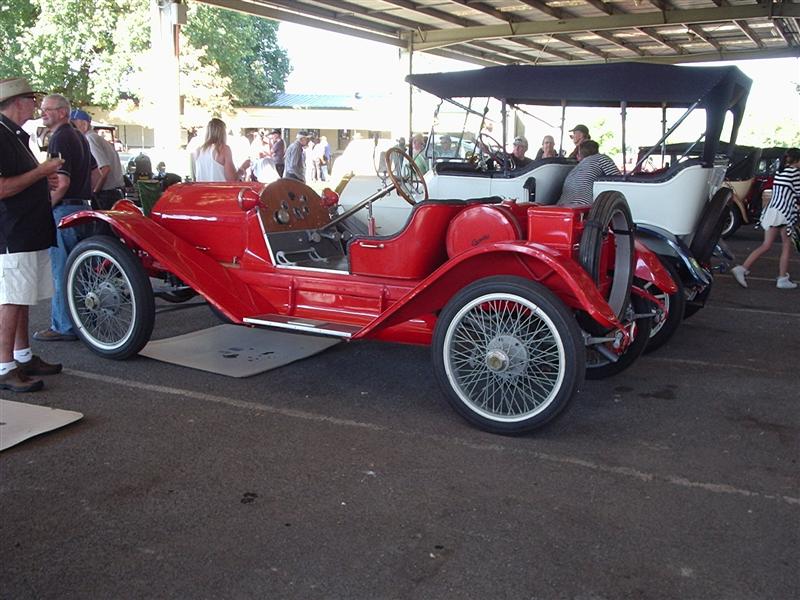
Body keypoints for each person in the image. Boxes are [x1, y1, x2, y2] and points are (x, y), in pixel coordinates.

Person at [0, 78, 66, 392]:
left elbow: (16, 181)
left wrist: (41, 181)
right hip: (12, 232)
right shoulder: (1, 135)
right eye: (31, 99)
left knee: (21, 297)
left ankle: (21, 356)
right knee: (11, 298)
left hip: (26, 230)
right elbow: (2, 188)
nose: (35, 107)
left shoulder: (13, 135)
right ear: (17, 102)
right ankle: (4, 366)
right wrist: (41, 174)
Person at [33, 93, 98, 343]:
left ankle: (63, 325)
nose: (43, 113)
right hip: (83, 208)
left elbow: (61, 181)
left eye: (47, 109)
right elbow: (94, 173)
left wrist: (45, 206)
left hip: (64, 211)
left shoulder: (60, 137)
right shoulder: (79, 137)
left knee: (62, 270)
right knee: (81, 271)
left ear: (62, 112)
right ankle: (85, 320)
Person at [731, 148, 800, 289]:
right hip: (784, 214)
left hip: (772, 211)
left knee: (766, 245)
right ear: (797, 160)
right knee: (787, 246)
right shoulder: (795, 173)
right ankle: (782, 278)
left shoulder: (780, 172)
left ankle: (742, 268)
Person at [69, 109, 125, 210]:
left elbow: (104, 169)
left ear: (84, 124)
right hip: (113, 193)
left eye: (73, 125)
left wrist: (94, 193)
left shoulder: (90, 139)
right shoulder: (95, 138)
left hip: (106, 195)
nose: (71, 129)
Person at [557, 139, 621, 206]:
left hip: (561, 205)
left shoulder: (575, 168)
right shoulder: (601, 158)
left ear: (580, 154)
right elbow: (618, 180)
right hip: (582, 205)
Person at [190, 118, 250, 182]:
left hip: (202, 191)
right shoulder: (223, 149)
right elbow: (232, 179)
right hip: (220, 191)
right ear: (223, 133)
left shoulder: (198, 151)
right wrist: (243, 168)